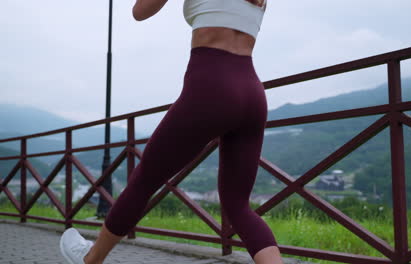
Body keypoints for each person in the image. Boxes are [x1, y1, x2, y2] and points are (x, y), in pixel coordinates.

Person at [59, 0, 284, 263]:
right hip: (252, 93)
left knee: (145, 179)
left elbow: (139, 12)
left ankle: (91, 258)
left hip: (212, 88)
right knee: (238, 206)